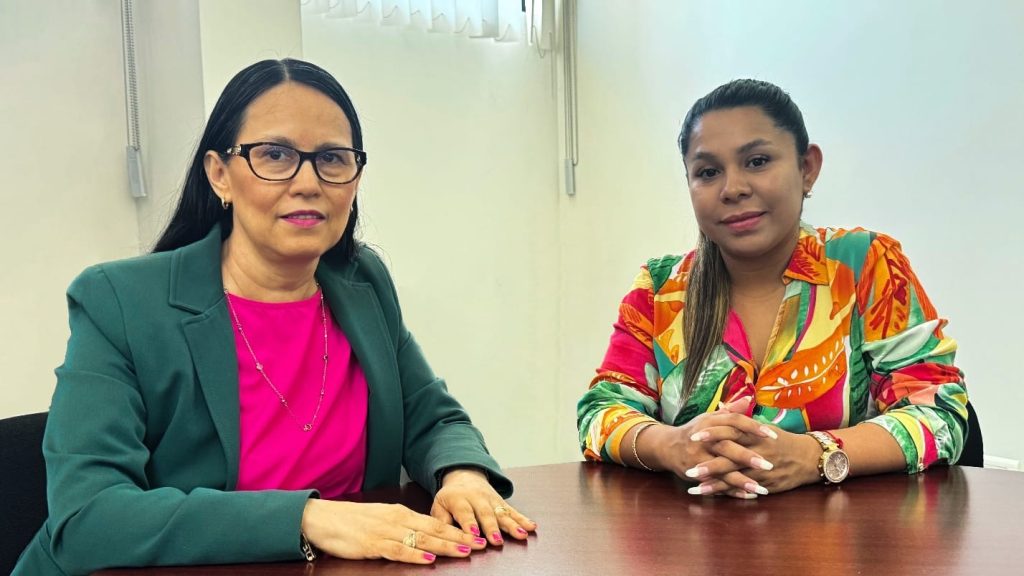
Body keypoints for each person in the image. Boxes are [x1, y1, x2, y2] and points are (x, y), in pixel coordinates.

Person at [15, 58, 534, 576]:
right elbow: (88, 517)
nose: (308, 182)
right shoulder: (119, 301)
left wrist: (461, 474)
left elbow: (432, 416)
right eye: (276, 155)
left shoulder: (362, 282)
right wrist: (306, 519)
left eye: (332, 158)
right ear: (220, 174)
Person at [577, 79, 968, 499]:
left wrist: (814, 455)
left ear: (807, 168)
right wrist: (672, 446)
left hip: (848, 532)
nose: (733, 188)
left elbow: (939, 413)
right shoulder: (660, 290)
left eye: (758, 161)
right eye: (708, 172)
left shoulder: (864, 265)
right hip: (696, 532)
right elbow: (601, 413)